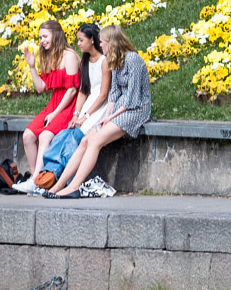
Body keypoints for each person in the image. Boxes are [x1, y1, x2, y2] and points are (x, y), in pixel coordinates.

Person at [48, 23, 149, 198]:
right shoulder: (114, 60)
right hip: (119, 107)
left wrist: (110, 117)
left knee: (96, 141)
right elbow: (114, 94)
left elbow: (132, 97)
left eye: (102, 42)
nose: (100, 45)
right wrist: (107, 115)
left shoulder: (133, 59)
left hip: (135, 109)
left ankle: (74, 187)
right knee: (86, 140)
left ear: (112, 43)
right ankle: (58, 185)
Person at [19, 19, 79, 174]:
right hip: (55, 102)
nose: (42, 41)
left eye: (45, 36)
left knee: (45, 136)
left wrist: (55, 113)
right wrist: (32, 66)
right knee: (28, 136)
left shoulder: (69, 56)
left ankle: (38, 180)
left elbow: (72, 90)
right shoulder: (50, 56)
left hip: (69, 104)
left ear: (56, 35)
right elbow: (41, 88)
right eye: (40, 37)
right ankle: (35, 174)